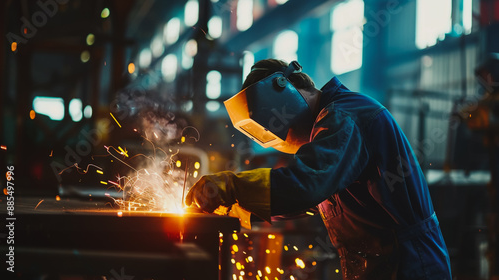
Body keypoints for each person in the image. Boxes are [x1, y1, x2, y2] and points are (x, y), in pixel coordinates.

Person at [185, 59, 452, 279]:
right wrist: (233, 206)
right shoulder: (328, 127)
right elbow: (306, 198)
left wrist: (232, 187)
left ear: (285, 91)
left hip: (410, 263)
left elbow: (307, 185)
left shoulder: (344, 116)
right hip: (383, 262)